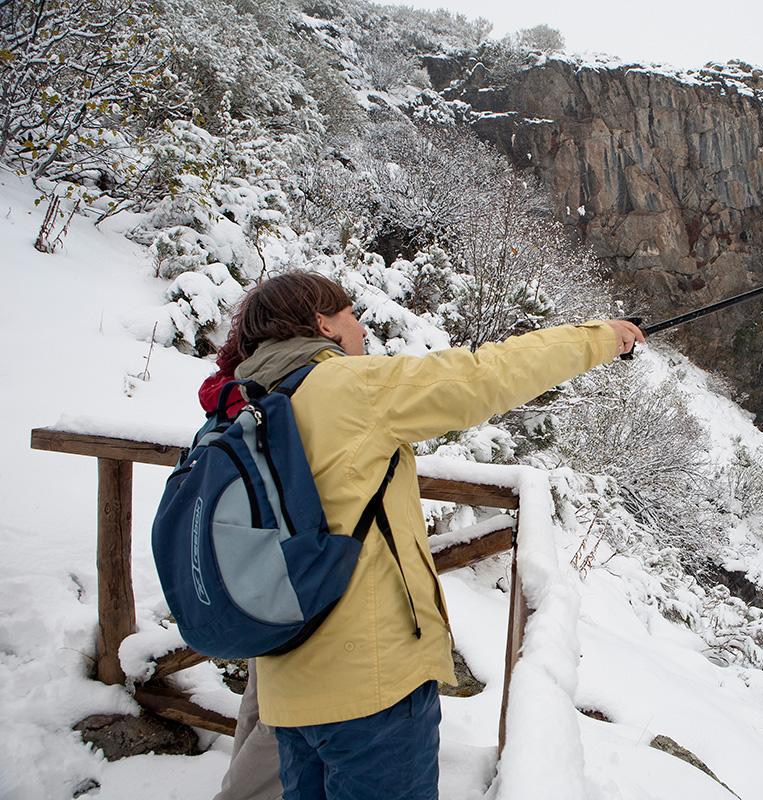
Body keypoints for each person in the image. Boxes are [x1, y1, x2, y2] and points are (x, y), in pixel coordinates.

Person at [202, 271, 642, 800]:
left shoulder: (240, 405)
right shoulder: (348, 388)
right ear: (322, 324)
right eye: (349, 315)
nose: (360, 327)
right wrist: (599, 337)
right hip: (373, 687)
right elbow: (486, 377)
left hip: (287, 688)